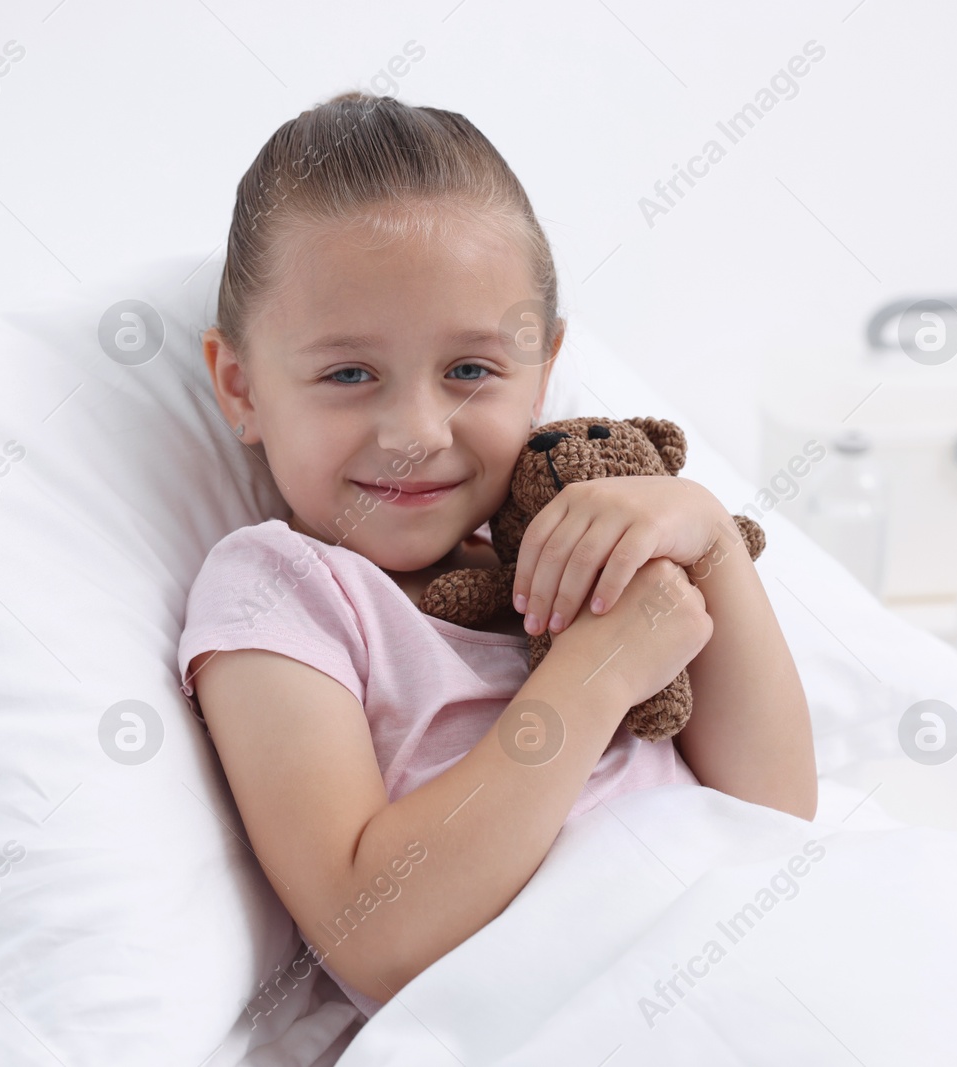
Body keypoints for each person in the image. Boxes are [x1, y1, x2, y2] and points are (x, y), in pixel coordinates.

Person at [177, 91, 816, 1019]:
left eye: (470, 370)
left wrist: (710, 538)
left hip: (752, 947)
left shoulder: (572, 536)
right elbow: (376, 935)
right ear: (241, 387)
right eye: (348, 374)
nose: (414, 431)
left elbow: (774, 810)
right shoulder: (282, 591)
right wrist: (594, 672)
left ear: (544, 372)